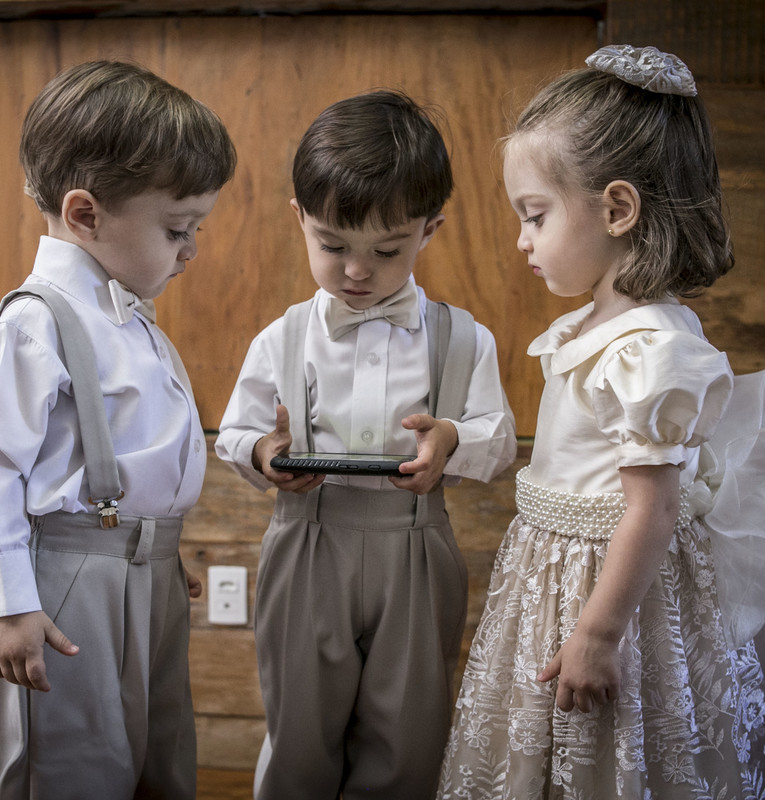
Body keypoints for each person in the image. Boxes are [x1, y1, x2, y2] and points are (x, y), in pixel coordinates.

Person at [438, 45, 765, 799]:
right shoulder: (596, 326)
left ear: (617, 209)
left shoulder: (649, 350)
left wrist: (597, 633)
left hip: (614, 596)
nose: (522, 239)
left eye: (535, 215)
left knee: (622, 750)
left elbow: (652, 508)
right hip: (557, 575)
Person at [0, 60, 236, 799]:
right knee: (71, 764)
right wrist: (8, 603)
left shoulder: (128, 316)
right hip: (62, 589)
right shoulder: (33, 329)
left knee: (155, 751)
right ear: (85, 215)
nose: (191, 250)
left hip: (143, 572)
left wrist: (151, 546)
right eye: (177, 229)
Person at [215, 89, 517, 800]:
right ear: (299, 220)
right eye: (332, 245)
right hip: (306, 540)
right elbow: (233, 432)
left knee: (409, 730)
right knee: (299, 724)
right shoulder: (279, 338)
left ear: (430, 228)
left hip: (414, 543)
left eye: (385, 250)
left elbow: (497, 441)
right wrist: (266, 454)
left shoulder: (464, 337)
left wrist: (450, 441)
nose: (356, 270)